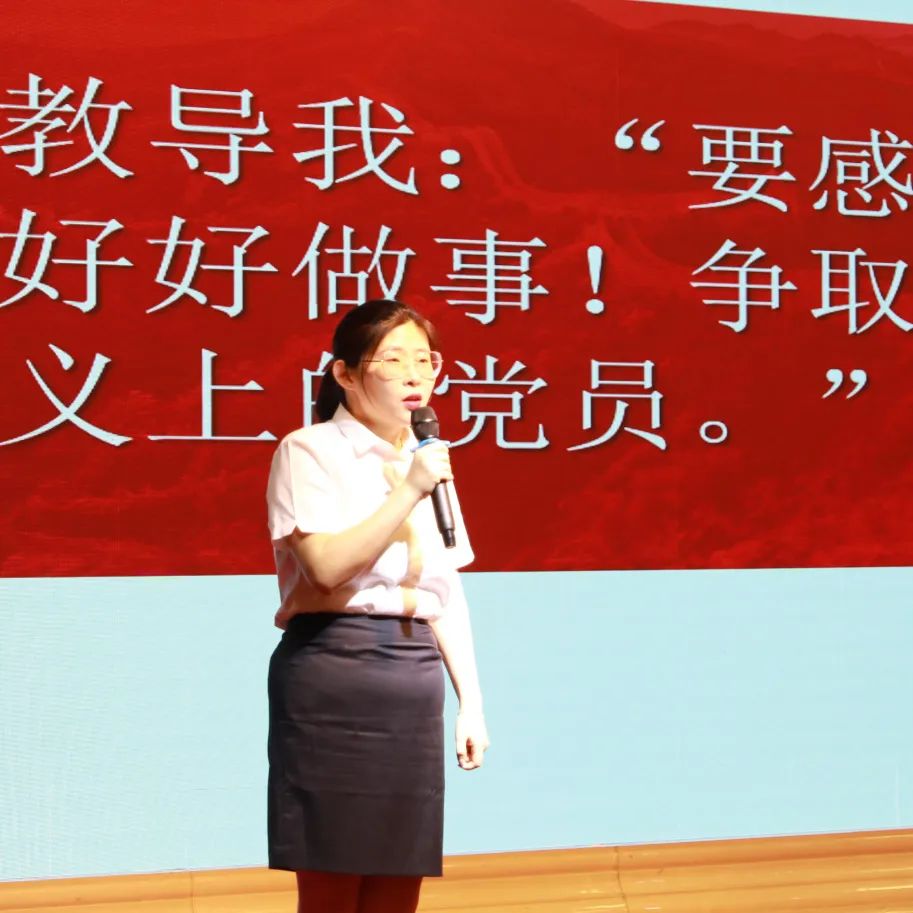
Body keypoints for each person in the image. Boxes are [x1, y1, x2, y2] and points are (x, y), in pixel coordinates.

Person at [266, 299, 489, 913]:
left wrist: (471, 704)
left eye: (425, 360)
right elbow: (327, 568)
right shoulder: (309, 450)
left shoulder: (427, 459)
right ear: (344, 373)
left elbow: (444, 591)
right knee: (333, 883)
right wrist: (409, 489)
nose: (415, 374)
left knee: (398, 884)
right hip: (333, 673)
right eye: (393, 360)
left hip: (413, 681)